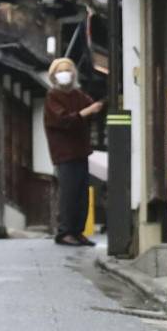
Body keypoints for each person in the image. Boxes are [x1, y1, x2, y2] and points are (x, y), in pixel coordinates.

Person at [42, 57, 102, 247]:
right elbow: (63, 120)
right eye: (60, 70)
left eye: (68, 69)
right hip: (64, 152)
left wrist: (93, 109)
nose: (65, 73)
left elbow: (94, 108)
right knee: (68, 193)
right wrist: (86, 112)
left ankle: (77, 231)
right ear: (53, 76)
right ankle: (65, 232)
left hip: (80, 150)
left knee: (81, 194)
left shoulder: (78, 95)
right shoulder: (53, 96)